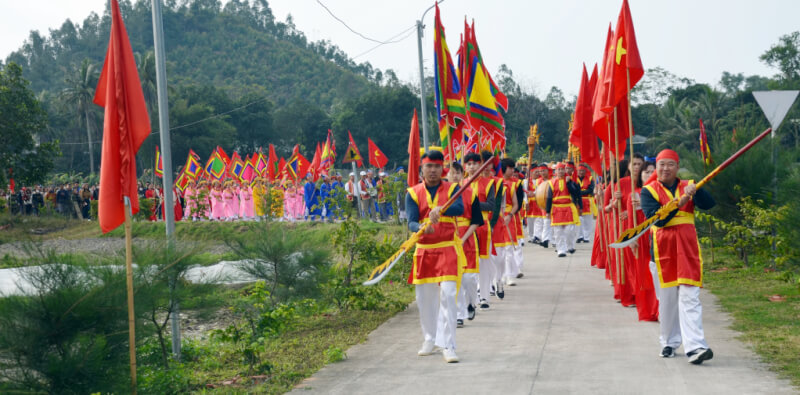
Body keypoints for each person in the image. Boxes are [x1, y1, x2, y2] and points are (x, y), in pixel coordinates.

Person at [641, 149, 715, 364]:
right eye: (662, 164)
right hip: (661, 253)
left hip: (687, 251)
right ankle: (668, 342)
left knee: (690, 298)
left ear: (677, 166)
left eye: (670, 164)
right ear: (657, 167)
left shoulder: (690, 185)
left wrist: (697, 191)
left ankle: (696, 347)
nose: (665, 168)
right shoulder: (648, 191)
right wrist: (680, 202)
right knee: (667, 302)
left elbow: (709, 204)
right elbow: (659, 220)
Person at [405, 150, 464, 363]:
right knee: (424, 298)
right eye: (429, 166)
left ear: (443, 169)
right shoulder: (412, 192)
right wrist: (420, 227)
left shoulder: (453, 188)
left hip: (447, 247)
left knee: (448, 295)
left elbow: (459, 208)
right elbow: (410, 221)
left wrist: (442, 209)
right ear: (422, 168)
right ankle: (430, 338)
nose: (433, 171)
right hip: (424, 250)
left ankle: (448, 345)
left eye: (437, 167)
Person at [447, 162, 484, 328]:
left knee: (469, 278)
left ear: (462, 175)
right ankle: (459, 314)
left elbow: (476, 220)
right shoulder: (442, 195)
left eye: (457, 173)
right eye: (451, 173)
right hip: (448, 239)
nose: (454, 176)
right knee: (455, 279)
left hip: (467, 237)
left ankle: (471, 302)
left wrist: (463, 238)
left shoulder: (471, 193)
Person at [463, 153, 497, 310]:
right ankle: (470, 298)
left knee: (483, 263)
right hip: (464, 227)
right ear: (465, 166)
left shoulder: (489, 184)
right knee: (466, 265)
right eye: (468, 164)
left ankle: (484, 296)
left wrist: (473, 205)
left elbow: (491, 205)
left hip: (482, 226)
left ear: (481, 165)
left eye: (474, 163)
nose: (471, 167)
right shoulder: (460, 184)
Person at [629, 160, 658, 321]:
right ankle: (649, 309)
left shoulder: (660, 191)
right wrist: (632, 239)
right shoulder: (634, 194)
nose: (649, 174)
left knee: (658, 275)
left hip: (658, 236)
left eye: (652, 171)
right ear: (640, 175)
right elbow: (630, 221)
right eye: (646, 172)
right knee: (645, 276)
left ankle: (659, 309)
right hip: (641, 238)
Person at [546, 163, 580, 257]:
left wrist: (569, 183)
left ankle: (570, 246)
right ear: (555, 172)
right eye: (558, 169)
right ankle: (561, 250)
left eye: (562, 169)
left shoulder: (570, 180)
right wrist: (547, 211)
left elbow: (575, 192)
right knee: (558, 231)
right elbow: (549, 198)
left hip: (568, 207)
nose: (560, 171)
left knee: (570, 230)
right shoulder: (551, 182)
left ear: (564, 171)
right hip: (556, 209)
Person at [576, 164, 597, 243]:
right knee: (579, 219)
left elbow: (590, 190)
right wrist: (580, 193)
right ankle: (580, 236)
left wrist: (579, 192)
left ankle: (586, 237)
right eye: (579, 170)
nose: (581, 172)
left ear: (585, 171)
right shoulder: (574, 179)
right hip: (578, 201)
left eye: (582, 170)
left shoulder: (590, 179)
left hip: (587, 201)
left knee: (588, 220)